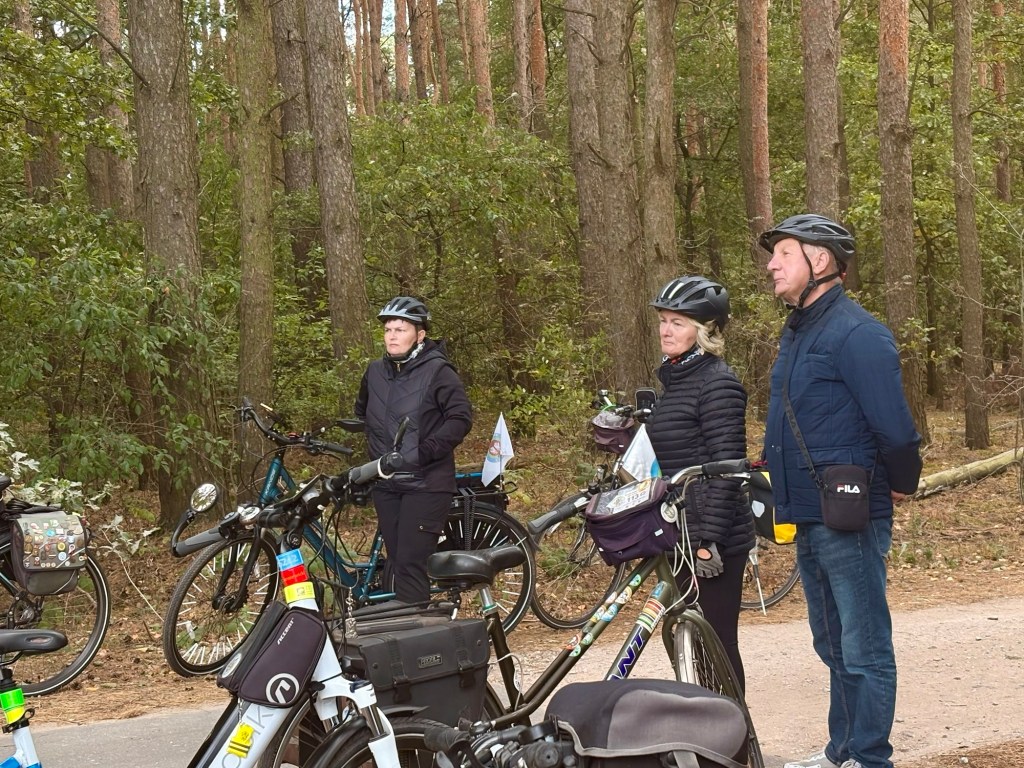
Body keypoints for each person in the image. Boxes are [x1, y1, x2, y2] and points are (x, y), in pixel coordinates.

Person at [758, 214, 923, 768]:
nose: (772, 265)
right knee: (831, 642)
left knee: (864, 646)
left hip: (849, 513)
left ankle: (870, 758)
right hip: (809, 511)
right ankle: (842, 752)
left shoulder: (858, 333)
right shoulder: (800, 331)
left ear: (821, 260)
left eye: (784, 253)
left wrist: (901, 483)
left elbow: (896, 429)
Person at [645, 275, 754, 691]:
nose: (666, 330)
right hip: (680, 532)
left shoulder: (717, 382)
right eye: (663, 321)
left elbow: (728, 470)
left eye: (678, 322)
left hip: (713, 538)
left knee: (717, 644)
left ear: (704, 331)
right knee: (689, 644)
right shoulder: (676, 381)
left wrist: (710, 542)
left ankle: (733, 727)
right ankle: (703, 722)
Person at [354, 296, 473, 604]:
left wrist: (424, 452)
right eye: (388, 330)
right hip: (386, 482)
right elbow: (364, 415)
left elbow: (460, 419)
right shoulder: (374, 372)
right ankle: (407, 619)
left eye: (401, 329)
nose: (392, 336)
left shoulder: (439, 371)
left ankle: (418, 625)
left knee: (409, 562)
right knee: (396, 560)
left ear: (420, 335)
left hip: (426, 482)